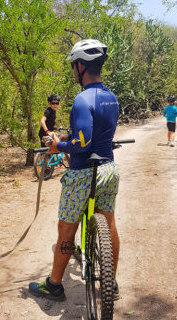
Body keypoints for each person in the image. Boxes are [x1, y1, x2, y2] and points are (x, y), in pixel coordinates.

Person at [29, 39, 121, 301]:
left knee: (66, 229)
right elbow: (98, 133)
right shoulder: (111, 98)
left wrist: (59, 145)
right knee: (110, 223)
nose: (73, 71)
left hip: (83, 173)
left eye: (73, 66)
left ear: (81, 66)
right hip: (108, 169)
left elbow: (83, 142)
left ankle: (55, 285)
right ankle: (110, 282)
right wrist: (70, 137)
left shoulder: (82, 99)